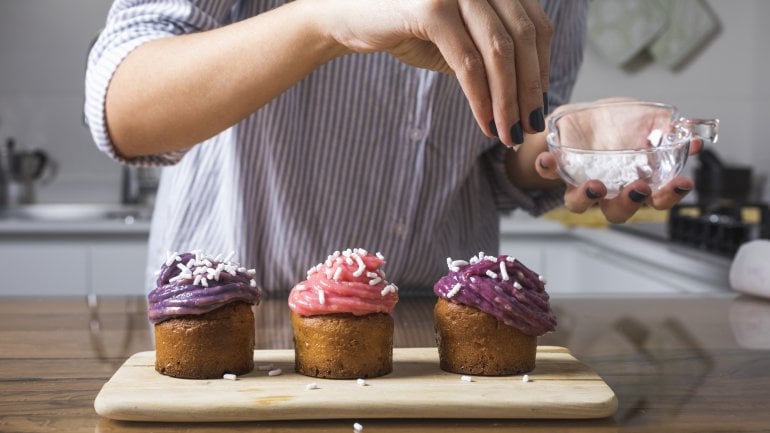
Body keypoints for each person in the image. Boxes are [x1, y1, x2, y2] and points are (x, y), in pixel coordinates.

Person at [84, 0, 696, 294]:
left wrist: (566, 144)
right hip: (237, 319)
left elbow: (503, 159)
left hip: (441, 326)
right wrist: (325, 20)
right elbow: (124, 112)